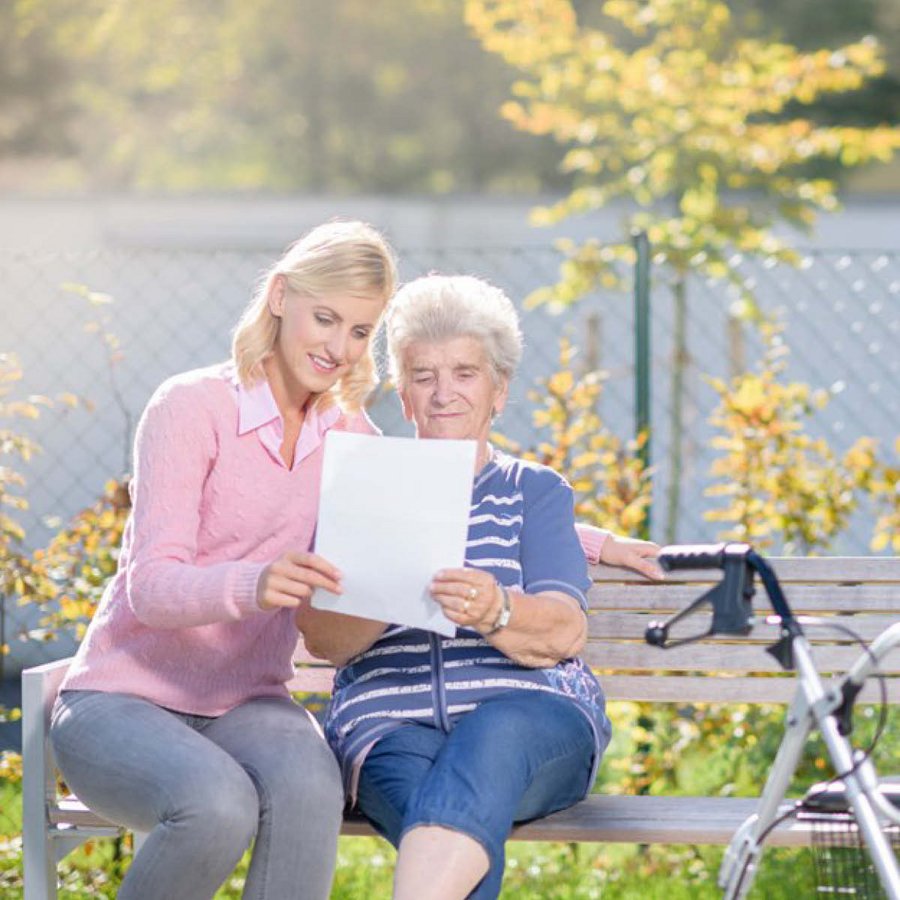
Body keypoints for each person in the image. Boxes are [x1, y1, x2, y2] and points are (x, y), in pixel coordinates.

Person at [48, 220, 398, 900]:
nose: (338, 348)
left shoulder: (352, 436)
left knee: (311, 789)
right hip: (118, 700)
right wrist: (258, 584)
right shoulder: (190, 406)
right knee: (216, 804)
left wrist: (594, 540)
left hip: (247, 700)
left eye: (359, 331)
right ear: (278, 297)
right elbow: (149, 587)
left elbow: (443, 504)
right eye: (324, 318)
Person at [296, 274, 661, 900]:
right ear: (403, 396)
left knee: (492, 736)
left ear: (499, 391)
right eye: (423, 376)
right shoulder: (362, 488)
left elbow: (564, 631)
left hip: (534, 720)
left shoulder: (534, 492)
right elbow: (326, 642)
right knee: (447, 827)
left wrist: (497, 610)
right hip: (389, 725)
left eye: (465, 373)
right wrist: (387, 582)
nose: (444, 394)